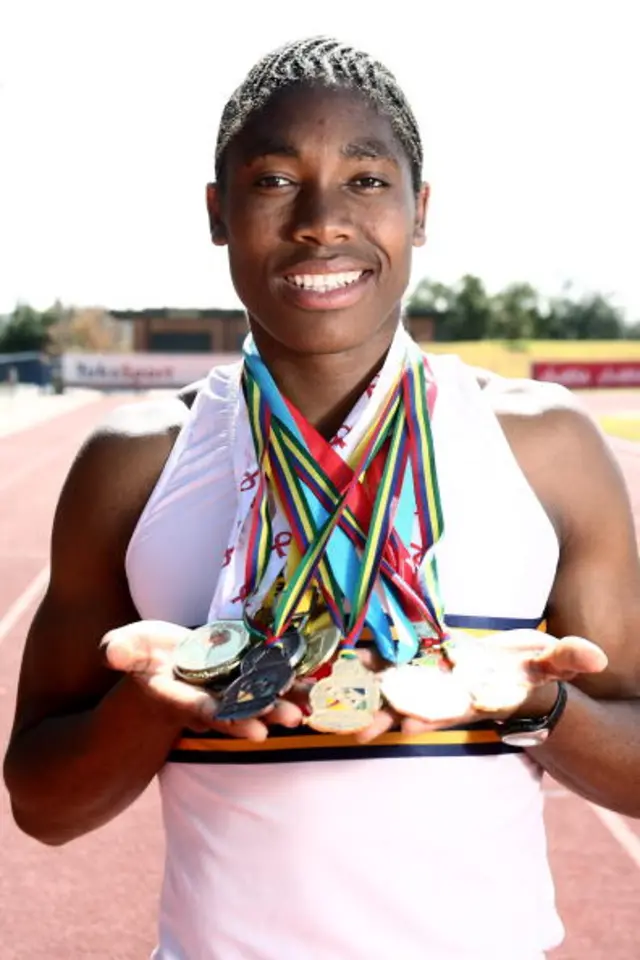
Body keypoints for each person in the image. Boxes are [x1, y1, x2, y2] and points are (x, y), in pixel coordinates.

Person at [4, 36, 640, 960]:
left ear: (420, 212)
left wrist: (533, 705)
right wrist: (157, 703)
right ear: (218, 213)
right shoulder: (136, 459)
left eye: (367, 181)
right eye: (272, 180)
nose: (321, 220)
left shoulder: (542, 445)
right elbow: (43, 807)